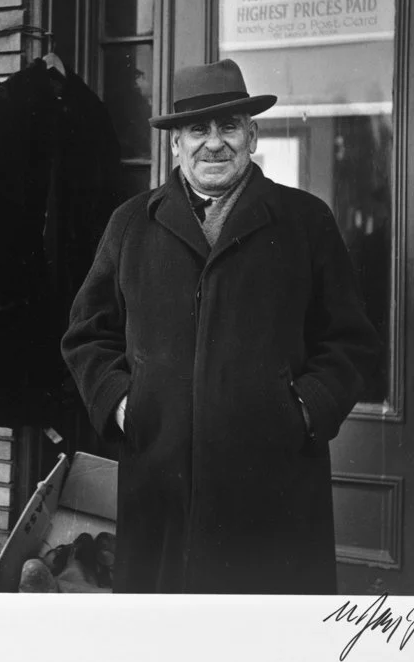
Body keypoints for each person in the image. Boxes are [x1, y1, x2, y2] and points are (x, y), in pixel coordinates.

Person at [61, 58, 380, 594]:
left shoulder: (305, 222)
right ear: (174, 145)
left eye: (229, 126)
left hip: (274, 490)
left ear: (252, 135)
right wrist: (123, 403)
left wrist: (303, 408)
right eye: (197, 130)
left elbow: (351, 341)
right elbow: (87, 335)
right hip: (160, 488)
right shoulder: (131, 224)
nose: (214, 143)